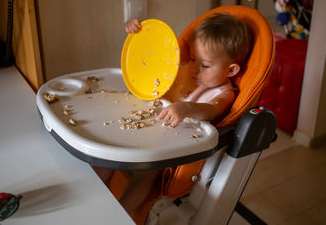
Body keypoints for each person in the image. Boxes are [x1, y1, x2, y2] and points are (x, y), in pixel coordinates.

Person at [94, 12, 251, 219]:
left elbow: (211, 110)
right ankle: (93, 193)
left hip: (173, 150)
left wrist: (186, 109)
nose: (194, 67)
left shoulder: (223, 94)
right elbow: (155, 60)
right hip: (152, 132)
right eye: (194, 58)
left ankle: (116, 216)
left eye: (204, 65)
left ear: (231, 70)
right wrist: (140, 33)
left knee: (145, 174)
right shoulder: (191, 74)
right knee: (108, 151)